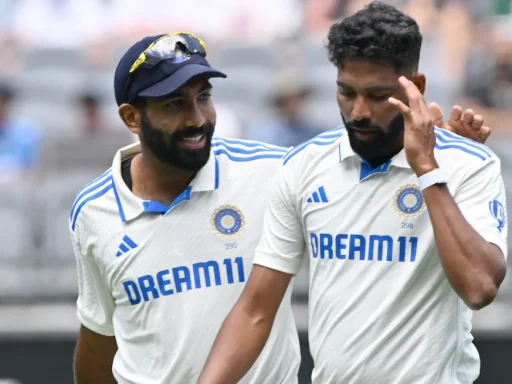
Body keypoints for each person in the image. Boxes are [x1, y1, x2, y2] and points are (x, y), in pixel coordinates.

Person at [70, 30, 492, 384]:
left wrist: (447, 157)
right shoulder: (93, 212)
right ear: (131, 117)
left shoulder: (273, 171)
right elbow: (97, 341)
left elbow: (368, 168)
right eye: (173, 105)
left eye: (203, 97)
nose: (197, 118)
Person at [198, 3, 507, 384]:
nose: (358, 111)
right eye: (346, 92)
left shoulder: (468, 163)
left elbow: (480, 287)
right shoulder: (305, 166)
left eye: (377, 96)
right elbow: (255, 310)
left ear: (417, 88)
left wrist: (427, 168)